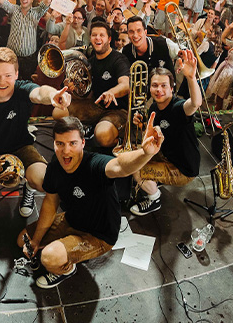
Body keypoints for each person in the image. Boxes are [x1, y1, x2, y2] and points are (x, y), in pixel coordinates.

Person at [19, 114, 163, 288]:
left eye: (72, 143)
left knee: (49, 257)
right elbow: (50, 204)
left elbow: (120, 166)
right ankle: (63, 246)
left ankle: (66, 269)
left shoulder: (95, 163)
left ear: (83, 143)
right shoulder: (55, 168)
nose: (66, 151)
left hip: (99, 235)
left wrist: (145, 153)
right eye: (60, 144)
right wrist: (36, 240)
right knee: (23, 240)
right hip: (72, 220)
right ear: (54, 144)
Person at [0, 48, 73, 218]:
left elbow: (40, 93)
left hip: (21, 148)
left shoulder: (23, 90)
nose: (2, 81)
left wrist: (53, 95)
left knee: (44, 180)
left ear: (17, 74)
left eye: (8, 75)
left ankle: (29, 189)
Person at [129, 55, 203, 216]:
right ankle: (154, 182)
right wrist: (141, 124)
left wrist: (191, 78)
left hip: (183, 169)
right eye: (155, 85)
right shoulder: (154, 107)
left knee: (135, 168)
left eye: (164, 85)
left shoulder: (178, 108)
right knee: (133, 154)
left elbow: (195, 104)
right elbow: (154, 134)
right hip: (167, 156)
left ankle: (154, 199)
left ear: (172, 88)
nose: (159, 90)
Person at [67, 21, 130, 148]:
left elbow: (125, 85)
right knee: (59, 111)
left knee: (102, 136)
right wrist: (73, 89)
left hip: (118, 110)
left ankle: (119, 141)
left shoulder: (119, 59)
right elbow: (87, 94)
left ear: (109, 39)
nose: (98, 38)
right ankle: (92, 129)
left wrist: (111, 92)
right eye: (94, 35)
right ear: (90, 38)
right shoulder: (90, 62)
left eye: (102, 35)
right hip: (95, 106)